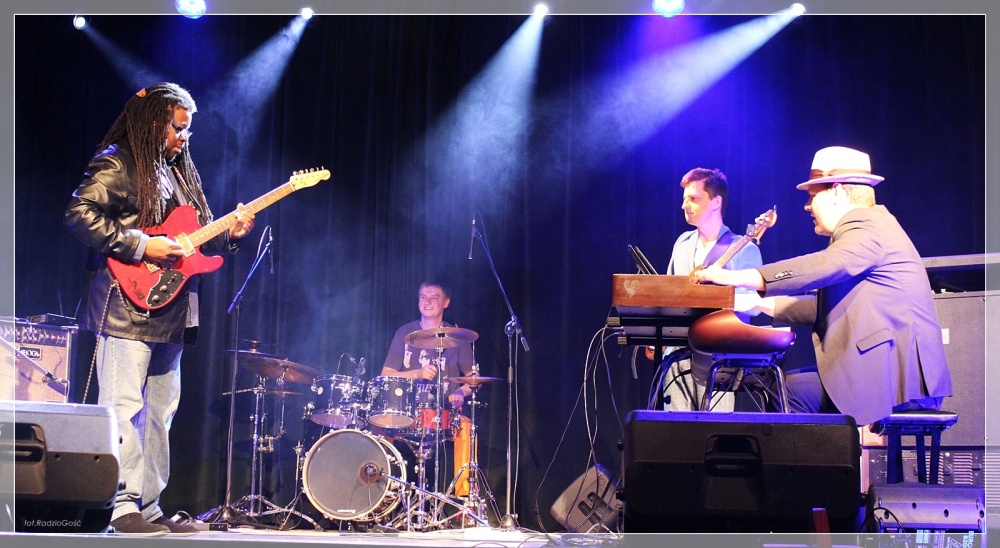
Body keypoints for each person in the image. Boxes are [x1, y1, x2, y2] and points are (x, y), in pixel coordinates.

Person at [64, 83, 255, 534]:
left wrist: (229, 235)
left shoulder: (179, 174)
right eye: (178, 128)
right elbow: (79, 214)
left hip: (171, 309)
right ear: (154, 123)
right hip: (125, 306)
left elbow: (191, 241)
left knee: (159, 413)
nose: (184, 138)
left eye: (188, 130)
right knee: (123, 407)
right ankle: (119, 506)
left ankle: (148, 506)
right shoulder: (119, 161)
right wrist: (142, 245)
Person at [690, 146, 952, 426]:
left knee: (788, 391)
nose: (807, 206)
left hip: (901, 379)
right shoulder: (870, 227)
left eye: (812, 196)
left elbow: (823, 265)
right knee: (788, 386)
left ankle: (819, 457)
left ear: (836, 192)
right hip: (895, 372)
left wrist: (737, 276)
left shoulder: (866, 226)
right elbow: (824, 306)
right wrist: (755, 302)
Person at [659, 168, 763, 411]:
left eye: (694, 198)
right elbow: (669, 293)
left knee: (714, 427)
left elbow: (755, 305)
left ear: (716, 202)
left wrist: (717, 293)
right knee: (673, 428)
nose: (684, 205)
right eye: (684, 198)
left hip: (719, 355)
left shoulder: (743, 248)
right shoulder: (682, 243)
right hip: (678, 354)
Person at [380, 280, 475, 494]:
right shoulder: (405, 333)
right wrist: (417, 374)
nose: (427, 301)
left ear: (446, 303)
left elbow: (473, 378)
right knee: (377, 427)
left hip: (445, 413)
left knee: (467, 431)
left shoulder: (457, 337)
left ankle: (465, 501)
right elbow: (386, 374)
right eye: (423, 297)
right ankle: (382, 494)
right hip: (407, 411)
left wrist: (461, 392)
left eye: (434, 297)